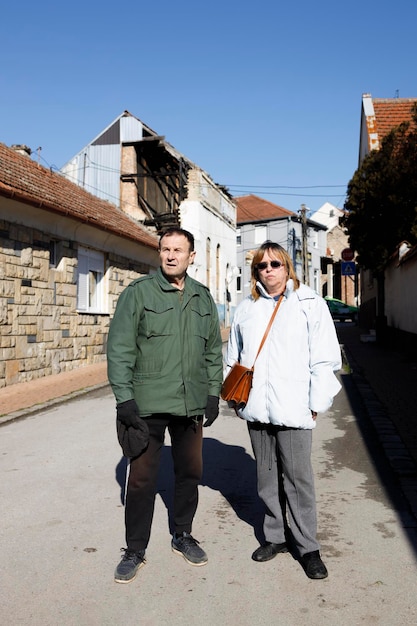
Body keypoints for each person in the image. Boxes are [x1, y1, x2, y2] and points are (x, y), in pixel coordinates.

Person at [107, 227, 223, 584]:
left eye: (179, 250)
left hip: (190, 405)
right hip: (147, 404)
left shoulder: (203, 298)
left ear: (191, 257)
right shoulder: (139, 294)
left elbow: (213, 351)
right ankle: (135, 549)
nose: (171, 255)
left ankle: (183, 534)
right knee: (141, 480)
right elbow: (120, 348)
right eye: (165, 249)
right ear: (159, 254)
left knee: (189, 473)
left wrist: (213, 392)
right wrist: (124, 399)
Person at [225, 241, 341, 579]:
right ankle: (275, 536)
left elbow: (324, 357)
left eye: (276, 264)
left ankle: (308, 546)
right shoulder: (247, 308)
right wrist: (235, 398)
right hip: (256, 406)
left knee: (298, 479)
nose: (269, 270)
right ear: (255, 272)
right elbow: (234, 357)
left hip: (295, 407)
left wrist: (316, 402)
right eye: (262, 265)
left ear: (287, 267)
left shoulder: (310, 304)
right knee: (265, 477)